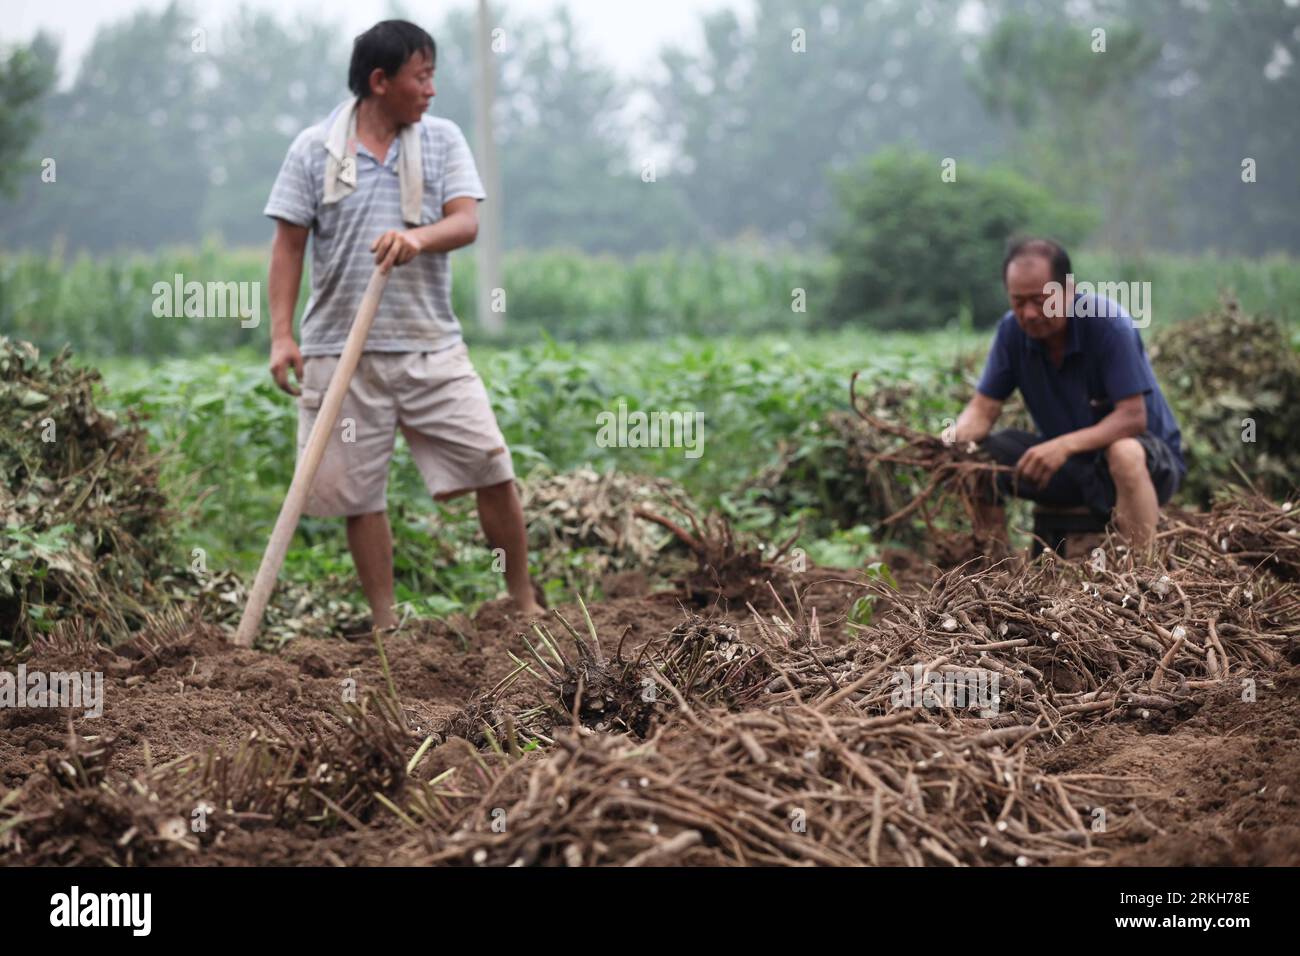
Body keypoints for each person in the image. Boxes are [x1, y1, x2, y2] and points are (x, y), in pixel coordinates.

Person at [263, 19, 542, 628]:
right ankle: (388, 624)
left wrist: (417, 239)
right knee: (357, 494)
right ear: (380, 81)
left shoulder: (442, 142)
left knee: (491, 465)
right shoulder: (315, 149)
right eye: (422, 76)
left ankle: (522, 603)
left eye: (433, 75)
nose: (431, 89)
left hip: (428, 344)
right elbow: (288, 246)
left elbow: (465, 223)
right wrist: (282, 335)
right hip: (340, 350)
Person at [950, 237, 1185, 554]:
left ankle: (1144, 575)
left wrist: (1063, 445)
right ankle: (997, 576)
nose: (1029, 313)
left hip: (1145, 468)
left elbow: (1133, 417)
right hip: (1069, 470)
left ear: (1069, 290)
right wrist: (951, 442)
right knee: (977, 459)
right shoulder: (1011, 333)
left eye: (1040, 300)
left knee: (1124, 452)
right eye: (1018, 302)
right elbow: (983, 409)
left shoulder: (1107, 325)